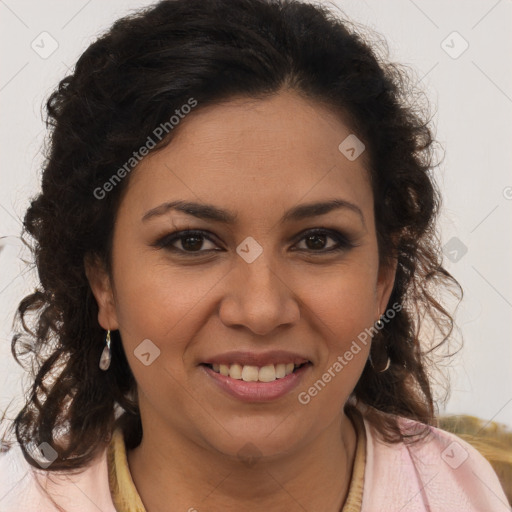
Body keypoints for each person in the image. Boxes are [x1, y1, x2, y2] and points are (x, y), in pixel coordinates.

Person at [0, 0, 509, 510]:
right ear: (103, 283)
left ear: (382, 279)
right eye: (192, 241)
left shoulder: (482, 492)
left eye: (317, 241)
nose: (262, 310)